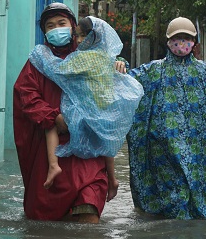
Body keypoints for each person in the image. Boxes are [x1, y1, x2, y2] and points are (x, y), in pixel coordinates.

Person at [117, 17, 206, 219]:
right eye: (177, 38)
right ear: (168, 42)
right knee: (171, 198)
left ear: (194, 43)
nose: (181, 43)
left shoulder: (204, 73)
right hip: (162, 148)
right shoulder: (153, 71)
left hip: (195, 148)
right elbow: (127, 82)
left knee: (189, 194)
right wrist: (119, 64)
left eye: (186, 38)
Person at [28, 15, 143, 202]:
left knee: (51, 123)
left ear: (94, 36)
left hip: (85, 109)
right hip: (104, 109)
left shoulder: (83, 58)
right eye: (77, 36)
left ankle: (53, 165)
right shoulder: (106, 56)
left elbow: (58, 69)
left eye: (83, 36)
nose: (79, 40)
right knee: (108, 145)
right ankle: (113, 179)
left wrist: (41, 54)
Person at [13, 3, 108, 223]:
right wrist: (52, 117)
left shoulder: (89, 56)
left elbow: (108, 80)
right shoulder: (36, 62)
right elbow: (25, 95)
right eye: (50, 25)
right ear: (44, 32)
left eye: (61, 23)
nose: (57, 28)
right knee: (45, 215)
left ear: (73, 26)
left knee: (89, 206)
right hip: (52, 148)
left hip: (86, 148)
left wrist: (119, 65)